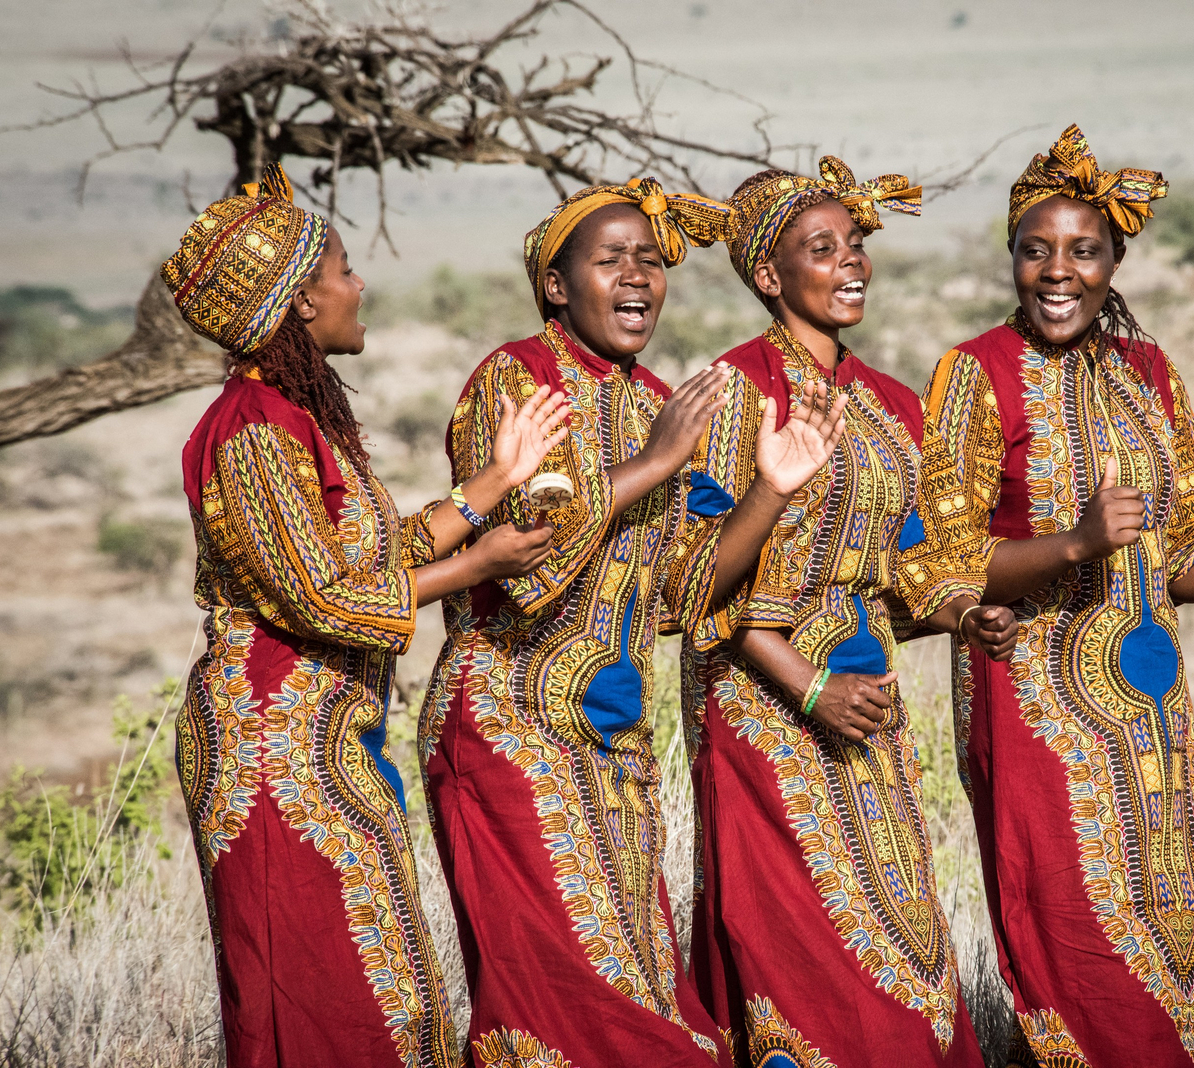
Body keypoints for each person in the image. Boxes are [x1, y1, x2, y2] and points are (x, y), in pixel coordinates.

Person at [923, 126, 1194, 1068]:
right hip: (1036, 711)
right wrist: (1074, 542)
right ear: (1010, 258)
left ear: (1114, 260)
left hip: (1151, 724)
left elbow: (1192, 553)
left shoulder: (1149, 374)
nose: (1057, 271)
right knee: (1079, 947)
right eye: (1034, 249)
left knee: (1181, 940)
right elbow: (948, 564)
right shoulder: (974, 373)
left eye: (1082, 251)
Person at [418, 178, 847, 1067]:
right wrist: (654, 463)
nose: (636, 278)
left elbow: (693, 592)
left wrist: (770, 490)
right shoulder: (517, 379)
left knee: (642, 986)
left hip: (615, 749)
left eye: (650, 261)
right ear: (556, 286)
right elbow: (524, 560)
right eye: (609, 260)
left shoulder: (660, 398)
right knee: (577, 1010)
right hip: (511, 729)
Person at [172, 163, 567, 1067]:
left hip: (324, 744)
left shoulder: (291, 420)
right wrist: (481, 562)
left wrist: (493, 485)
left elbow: (368, 550)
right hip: (271, 752)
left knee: (382, 989)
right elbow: (318, 597)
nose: (360, 286)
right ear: (300, 303)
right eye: (344, 270)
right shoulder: (250, 430)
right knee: (325, 998)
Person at [663, 156, 1019, 1068]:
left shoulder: (894, 404)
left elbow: (909, 565)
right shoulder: (730, 391)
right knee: (808, 958)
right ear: (770, 277)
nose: (851, 262)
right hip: (763, 718)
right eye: (822, 249)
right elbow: (695, 584)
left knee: (906, 950)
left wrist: (961, 615)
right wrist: (806, 682)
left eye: (856, 244)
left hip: (871, 716)